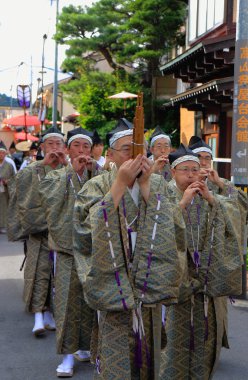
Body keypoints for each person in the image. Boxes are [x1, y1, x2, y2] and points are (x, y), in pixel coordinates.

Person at [73, 122, 186, 379]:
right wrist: (120, 184)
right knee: (116, 360)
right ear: (110, 156)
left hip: (149, 279)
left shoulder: (157, 184)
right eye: (127, 150)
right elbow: (83, 231)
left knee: (150, 357)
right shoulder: (97, 185)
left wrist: (145, 188)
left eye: (141, 150)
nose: (136, 156)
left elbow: (176, 228)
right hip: (115, 283)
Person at [160, 144, 247, 380]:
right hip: (175, 283)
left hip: (205, 283)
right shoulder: (163, 194)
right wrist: (181, 205)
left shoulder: (207, 196)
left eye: (195, 169)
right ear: (173, 171)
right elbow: (154, 230)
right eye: (185, 169)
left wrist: (213, 199)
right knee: (172, 346)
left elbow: (237, 215)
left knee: (204, 344)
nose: (190, 175)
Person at [40, 127, 103, 378]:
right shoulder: (58, 175)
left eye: (86, 147)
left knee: (92, 301)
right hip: (67, 250)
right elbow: (48, 199)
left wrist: (93, 171)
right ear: (68, 150)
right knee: (66, 303)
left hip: (94, 250)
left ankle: (87, 348)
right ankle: (67, 356)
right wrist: (71, 172)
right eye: (76, 146)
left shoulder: (99, 175)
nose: (82, 151)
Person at [14, 126, 66, 336]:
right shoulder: (33, 168)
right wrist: (43, 164)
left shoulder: (67, 169)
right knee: (38, 273)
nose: (54, 148)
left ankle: (50, 314)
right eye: (50, 144)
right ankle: (37, 315)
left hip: (61, 234)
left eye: (58, 144)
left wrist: (65, 166)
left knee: (57, 276)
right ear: (42, 147)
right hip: (39, 231)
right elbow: (20, 185)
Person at [0, 141, 16, 233]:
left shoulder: (9, 165)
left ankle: (4, 225)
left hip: (5, 190)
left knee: (4, 207)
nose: (1, 154)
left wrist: (7, 181)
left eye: (2, 153)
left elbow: (14, 178)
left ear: (5, 153)